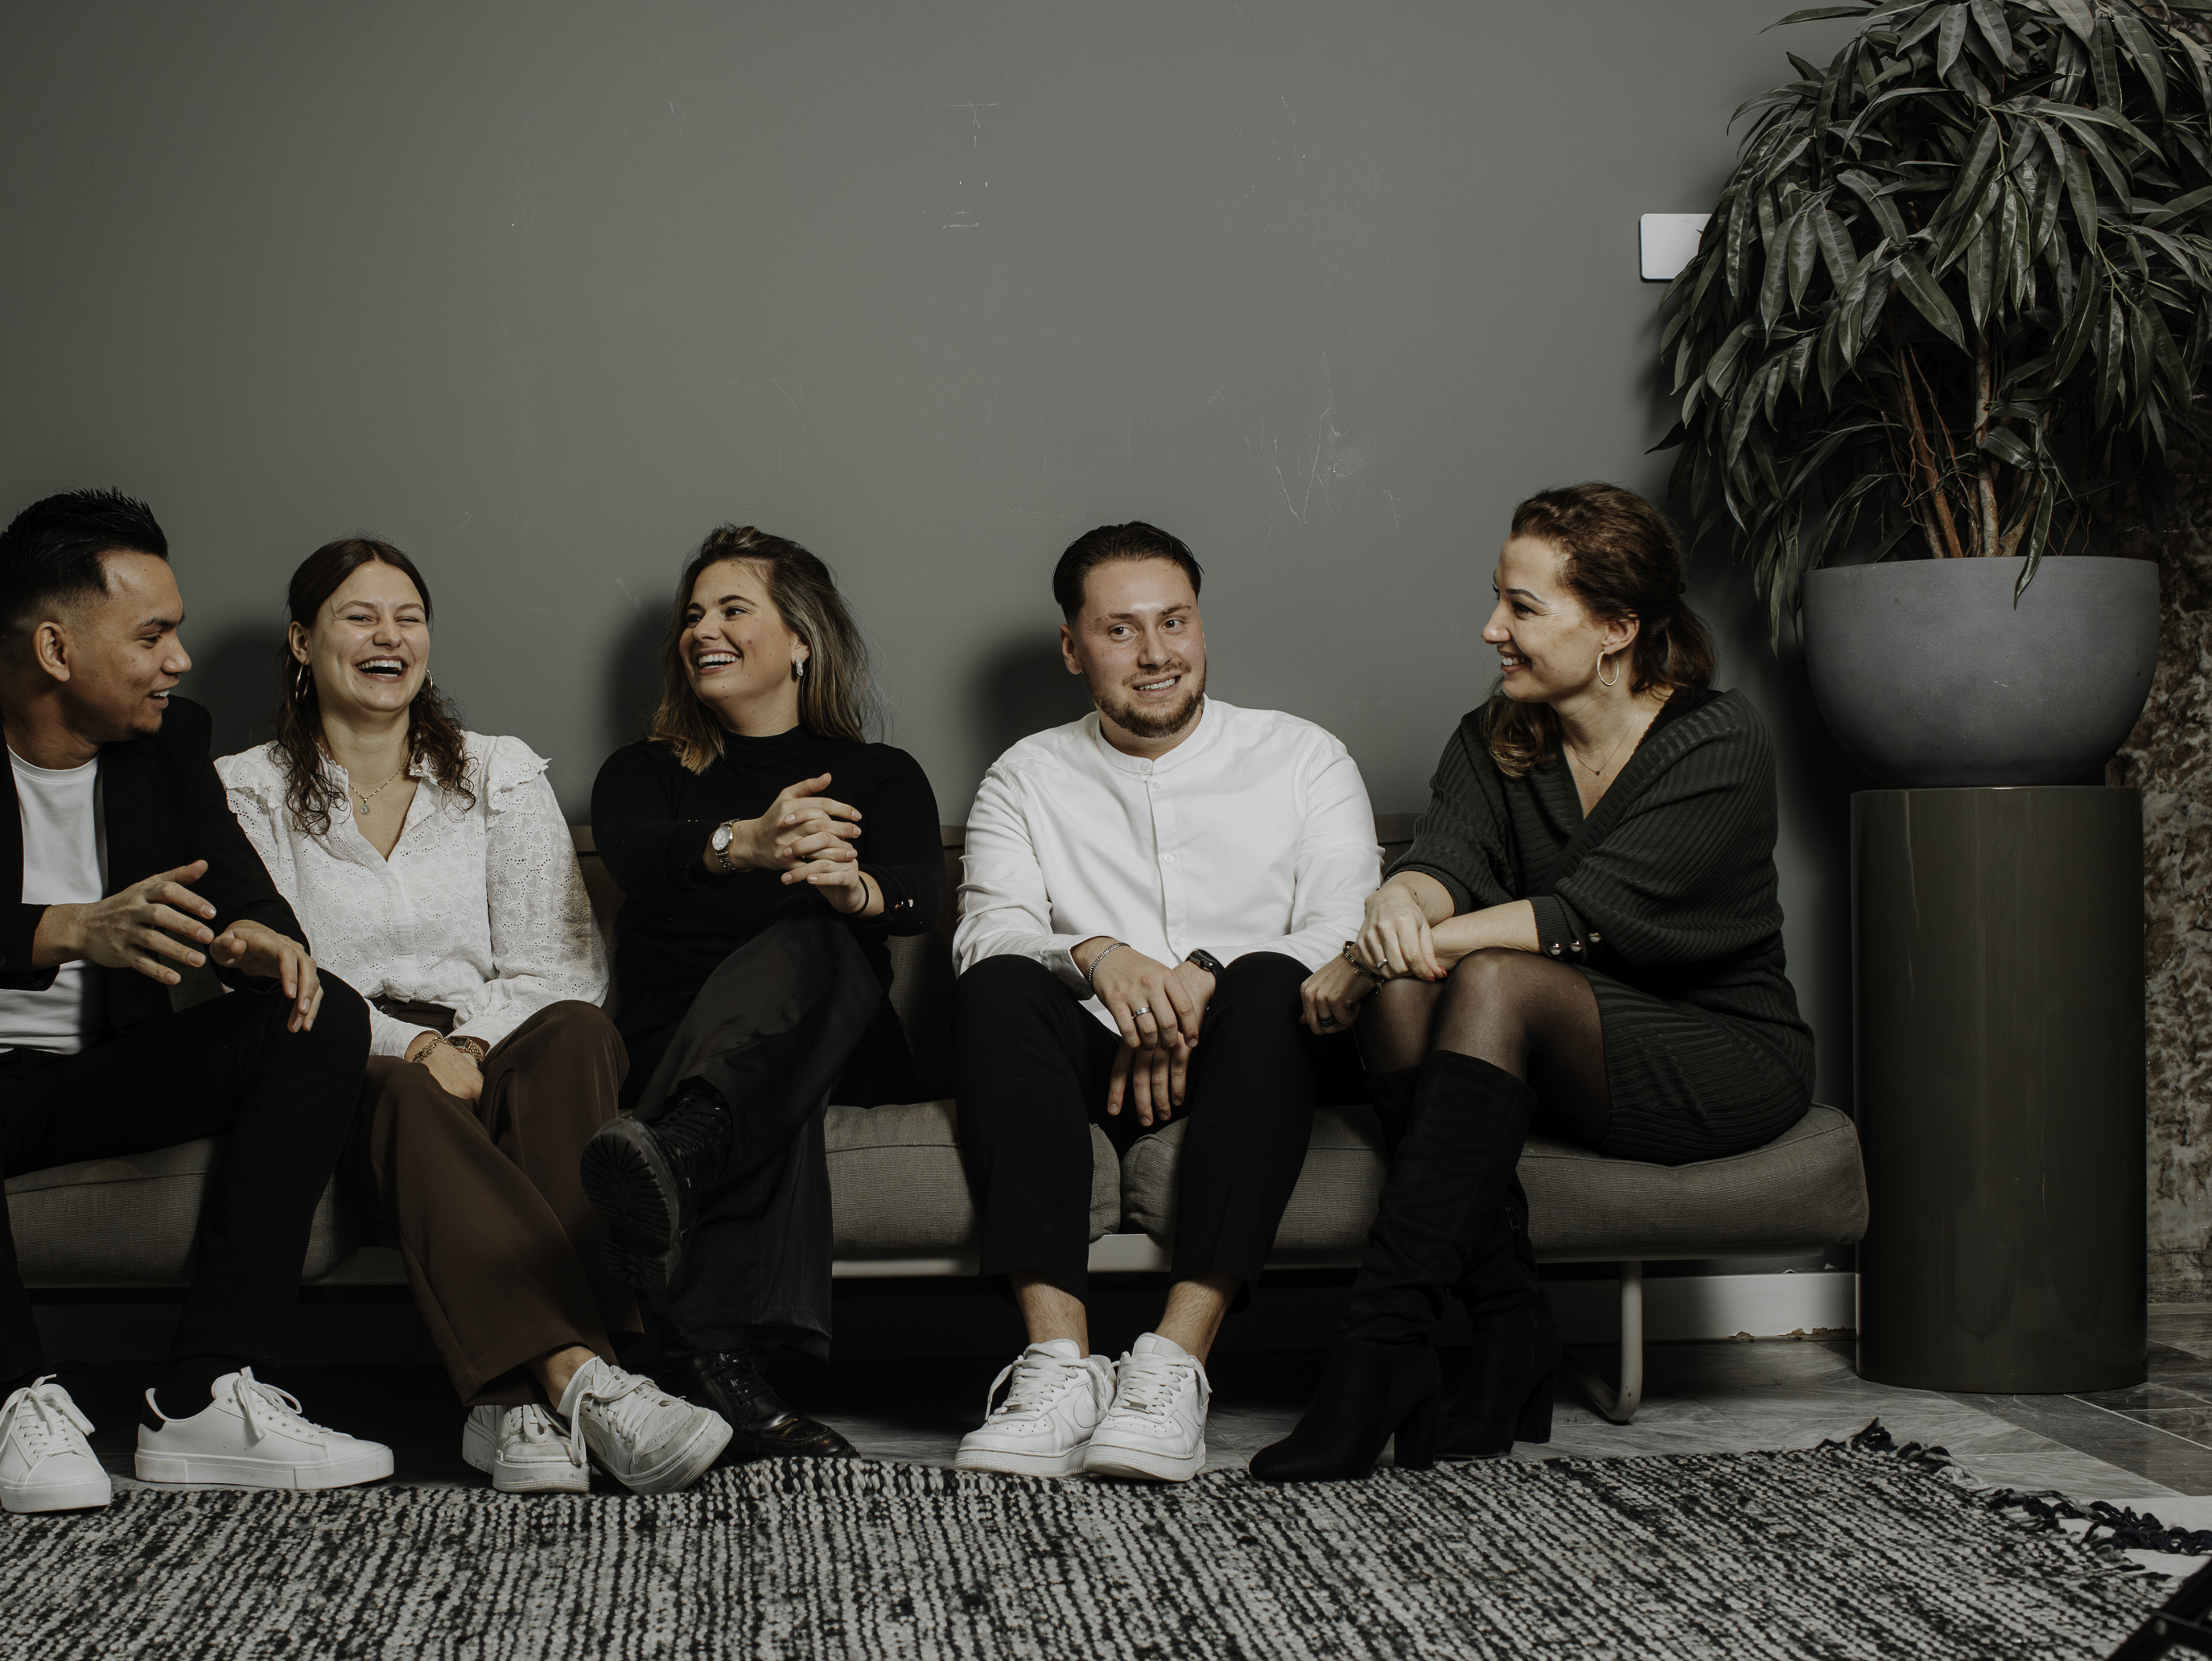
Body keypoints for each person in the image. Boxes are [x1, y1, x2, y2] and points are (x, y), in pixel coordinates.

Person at [0, 489, 392, 1513]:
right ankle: (18, 1394)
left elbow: (240, 890)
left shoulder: (168, 744)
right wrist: (67, 928)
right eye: (152, 635)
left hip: (79, 1087)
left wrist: (261, 940)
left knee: (319, 1013)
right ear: (55, 647)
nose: (179, 659)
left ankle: (203, 1396)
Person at [1253, 483, 1814, 1483]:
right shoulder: (1496, 733)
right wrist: (1397, 902)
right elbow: (1444, 859)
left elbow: (1576, 917)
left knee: (1491, 979)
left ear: (1614, 629)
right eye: (1496, 599)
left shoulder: (1717, 740)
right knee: (1408, 989)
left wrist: (1359, 953)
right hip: (1560, 1047)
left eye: (1521, 607)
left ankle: (1375, 1352)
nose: (1490, 629)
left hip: (1717, 1049)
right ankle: (1508, 1326)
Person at [219, 538, 731, 1496]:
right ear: (300, 641)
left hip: (492, 1031)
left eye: (408, 617)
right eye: (359, 617)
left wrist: (463, 1042)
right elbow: (281, 975)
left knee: (579, 1032)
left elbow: (562, 964)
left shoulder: (498, 772)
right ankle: (579, 1376)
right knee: (405, 1093)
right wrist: (412, 1046)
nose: (389, 637)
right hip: (342, 1051)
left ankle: (512, 1408)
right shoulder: (246, 791)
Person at [949, 521, 1381, 1482]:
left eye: (1173, 622)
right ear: (1072, 648)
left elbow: (1344, 928)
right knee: (998, 983)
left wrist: (1204, 979)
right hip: (1096, 1061)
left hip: (1261, 1048)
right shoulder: (1024, 775)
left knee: (1267, 979)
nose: (1155, 653)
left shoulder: (1302, 756)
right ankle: (1058, 1367)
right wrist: (1096, 956)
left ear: (1199, 626)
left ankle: (1175, 1364)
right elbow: (987, 930)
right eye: (1120, 630)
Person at [579, 525, 942, 1460]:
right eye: (692, 614)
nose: (702, 628)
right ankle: (720, 1361)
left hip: (837, 1038)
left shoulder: (879, 774)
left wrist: (853, 888)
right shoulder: (643, 772)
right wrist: (742, 842)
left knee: (819, 922)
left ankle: (684, 1151)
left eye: (732, 609)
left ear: (801, 640)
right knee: (756, 1084)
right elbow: (636, 856)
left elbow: (925, 893)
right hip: (677, 1038)